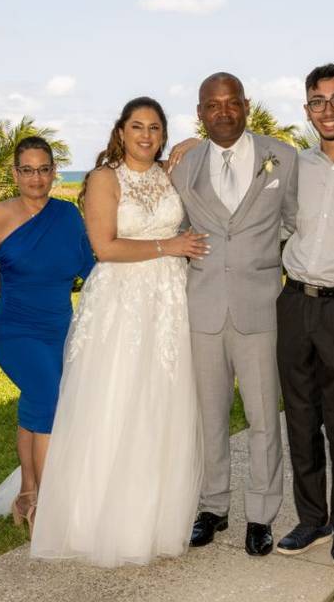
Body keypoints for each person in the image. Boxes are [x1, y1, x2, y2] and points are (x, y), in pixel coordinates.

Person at [30, 97, 207, 566]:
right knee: (115, 398)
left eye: (154, 127)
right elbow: (104, 247)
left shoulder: (169, 173)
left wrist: (192, 143)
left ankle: (156, 517)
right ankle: (97, 520)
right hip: (121, 303)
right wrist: (169, 245)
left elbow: (204, 148)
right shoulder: (105, 178)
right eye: (137, 126)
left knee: (159, 401)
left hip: (167, 301)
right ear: (121, 131)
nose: (145, 135)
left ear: (163, 134)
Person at [171, 72, 299, 557]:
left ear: (246, 105)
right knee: (209, 416)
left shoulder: (282, 156)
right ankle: (213, 505)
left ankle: (262, 513)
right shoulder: (184, 165)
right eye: (211, 105)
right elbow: (174, 222)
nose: (222, 112)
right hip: (201, 308)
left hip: (261, 306)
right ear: (200, 112)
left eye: (231, 103)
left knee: (266, 417)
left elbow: (295, 221)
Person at [274, 63, 334, 568]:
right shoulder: (296, 165)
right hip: (294, 303)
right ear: (307, 109)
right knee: (301, 417)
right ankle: (311, 518)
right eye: (318, 100)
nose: (328, 109)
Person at [0, 136, 94, 534]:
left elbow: (93, 267)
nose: (36, 177)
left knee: (36, 405)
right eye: (27, 169)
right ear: (15, 173)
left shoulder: (67, 216)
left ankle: (27, 493)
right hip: (15, 329)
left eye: (43, 169)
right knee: (47, 401)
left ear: (52, 172)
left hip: (59, 328)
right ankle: (50, 507)